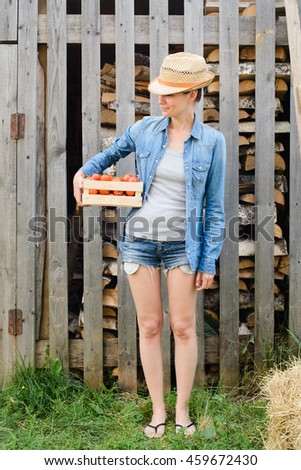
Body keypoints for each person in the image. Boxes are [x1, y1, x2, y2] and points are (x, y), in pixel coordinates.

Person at [73, 52, 226, 438]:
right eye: (159, 90)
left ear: (192, 94)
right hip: (140, 242)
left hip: (182, 247)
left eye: (170, 93)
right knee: (151, 325)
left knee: (184, 326)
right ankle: (158, 411)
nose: (161, 98)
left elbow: (215, 207)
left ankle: (183, 412)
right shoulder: (144, 130)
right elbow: (109, 155)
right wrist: (84, 171)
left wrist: (208, 260)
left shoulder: (212, 142)